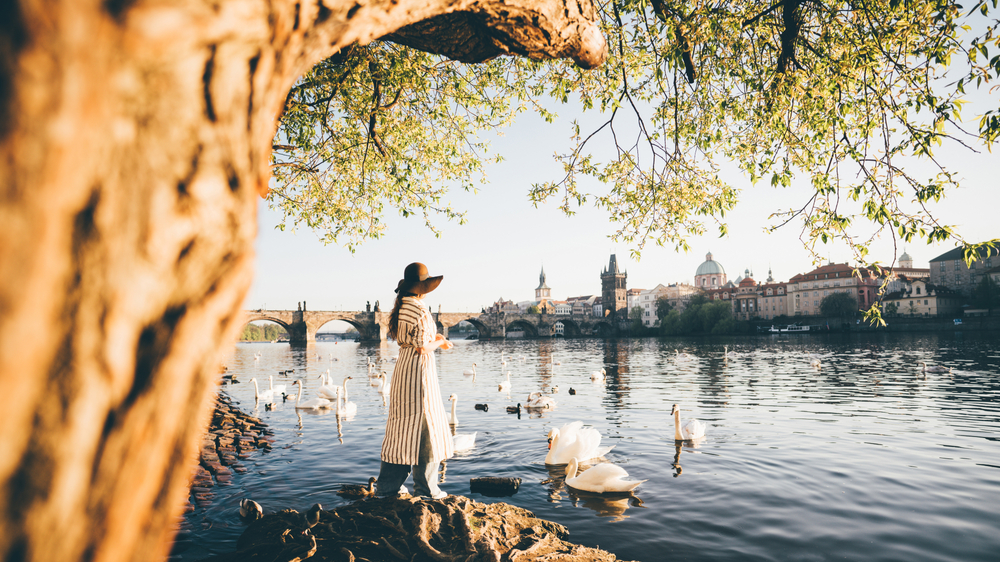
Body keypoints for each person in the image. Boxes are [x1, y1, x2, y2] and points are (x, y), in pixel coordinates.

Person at [376, 262, 454, 499]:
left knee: (401, 428)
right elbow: (422, 347)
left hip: (403, 371)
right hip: (419, 374)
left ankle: (387, 488)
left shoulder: (400, 309)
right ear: (421, 289)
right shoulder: (419, 309)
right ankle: (427, 489)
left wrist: (435, 337)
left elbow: (412, 342)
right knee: (425, 427)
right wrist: (440, 342)